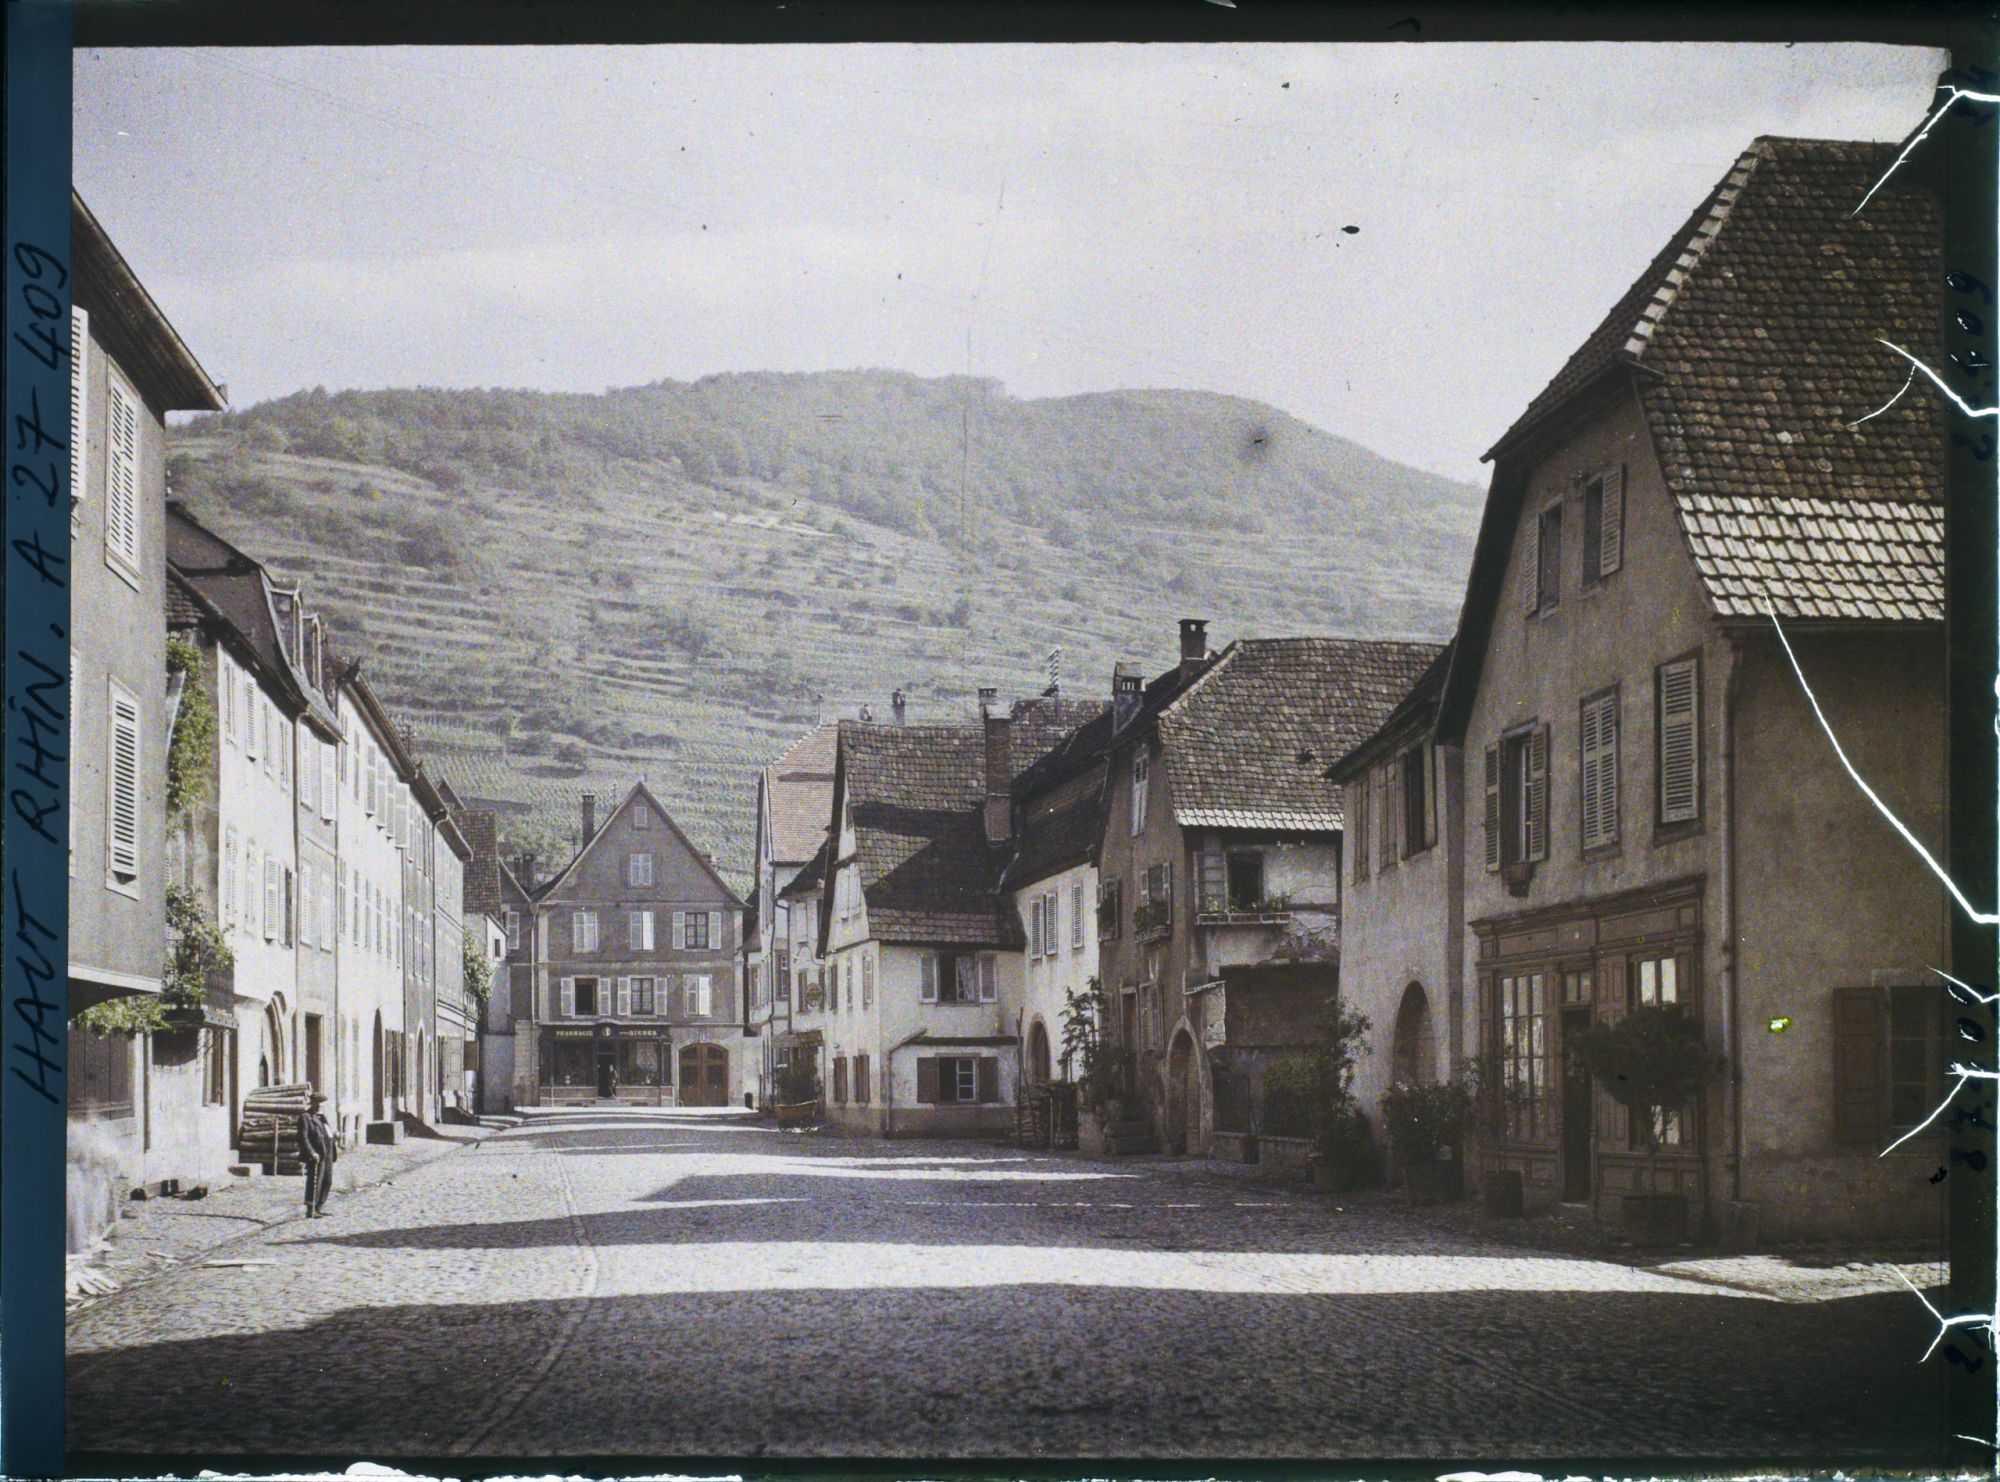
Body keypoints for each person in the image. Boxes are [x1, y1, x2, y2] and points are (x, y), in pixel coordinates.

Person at [298, 1092, 337, 1218]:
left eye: (322, 1103)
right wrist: (312, 1152)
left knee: (327, 1181)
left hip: (328, 1152)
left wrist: (334, 1135)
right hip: (317, 1154)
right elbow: (302, 1137)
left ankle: (319, 1207)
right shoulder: (305, 1117)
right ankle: (311, 1210)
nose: (320, 1106)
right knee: (315, 1182)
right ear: (313, 1103)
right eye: (318, 1102)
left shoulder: (321, 1117)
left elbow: (327, 1132)